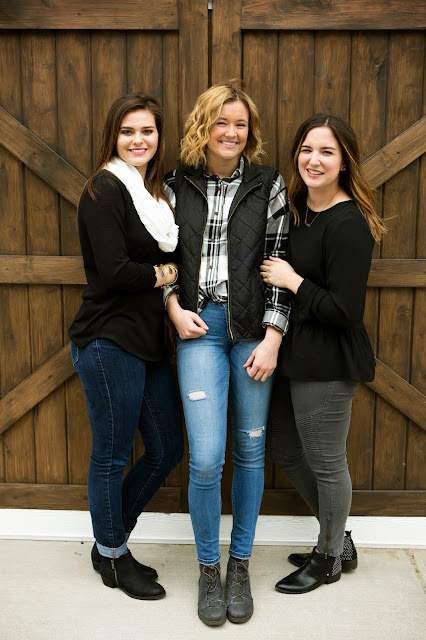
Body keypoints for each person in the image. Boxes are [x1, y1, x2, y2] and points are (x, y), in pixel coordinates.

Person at [163, 81, 290, 625]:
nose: (231, 132)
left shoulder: (269, 184)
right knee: (207, 457)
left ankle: (240, 564)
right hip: (200, 330)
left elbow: (280, 264)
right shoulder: (175, 184)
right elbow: (161, 258)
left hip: (254, 334)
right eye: (221, 122)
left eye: (240, 123)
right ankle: (208, 568)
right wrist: (172, 307)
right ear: (203, 125)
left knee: (250, 450)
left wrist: (274, 337)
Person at [261, 113, 386, 594]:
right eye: (307, 150)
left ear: (344, 161)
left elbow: (345, 311)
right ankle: (338, 536)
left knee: (328, 462)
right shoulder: (294, 209)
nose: (314, 160)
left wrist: (293, 281)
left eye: (327, 152)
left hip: (329, 361)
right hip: (292, 354)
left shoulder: (349, 222)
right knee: (285, 448)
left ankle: (328, 557)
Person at [69, 93, 183, 600]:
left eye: (148, 131)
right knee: (112, 456)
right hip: (108, 339)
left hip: (147, 339)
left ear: (159, 137)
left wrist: (164, 276)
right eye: (128, 131)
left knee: (166, 448)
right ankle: (114, 557)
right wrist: (167, 273)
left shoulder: (155, 197)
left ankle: (108, 540)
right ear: (113, 137)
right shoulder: (104, 189)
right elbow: (115, 272)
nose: (139, 140)